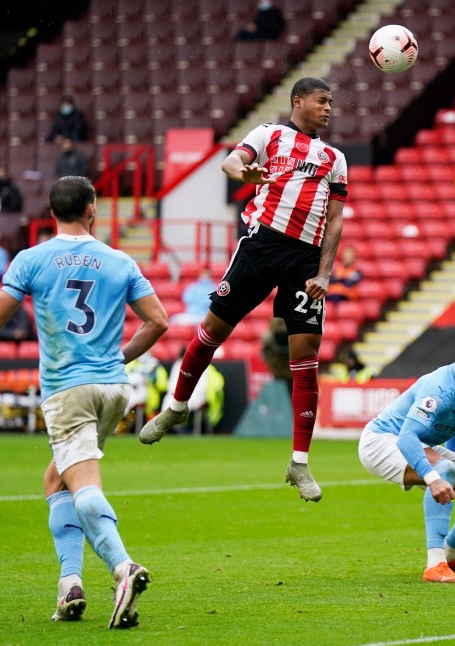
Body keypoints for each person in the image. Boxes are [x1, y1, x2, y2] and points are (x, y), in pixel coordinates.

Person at [0, 176, 169, 628]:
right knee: (56, 481)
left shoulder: (31, 259)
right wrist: (116, 358)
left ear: (51, 213)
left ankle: (123, 568)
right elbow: (158, 322)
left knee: (82, 480)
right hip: (114, 389)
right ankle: (70, 586)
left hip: (67, 388)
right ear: (92, 210)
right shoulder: (120, 261)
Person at [138, 77, 348, 503]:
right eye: (322, 101)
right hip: (262, 245)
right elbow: (232, 162)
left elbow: (336, 221)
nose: (328, 108)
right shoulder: (269, 134)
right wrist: (244, 171)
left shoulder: (335, 159)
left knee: (305, 355)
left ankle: (300, 463)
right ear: (299, 101)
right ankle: (176, 408)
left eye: (331, 103)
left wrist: (325, 274)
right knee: (213, 329)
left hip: (305, 260)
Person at [358, 328, 455, 583]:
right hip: (380, 441)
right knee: (443, 470)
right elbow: (406, 436)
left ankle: (450, 554)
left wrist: (449, 469)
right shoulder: (439, 389)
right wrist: (435, 476)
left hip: (420, 443)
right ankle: (434, 565)